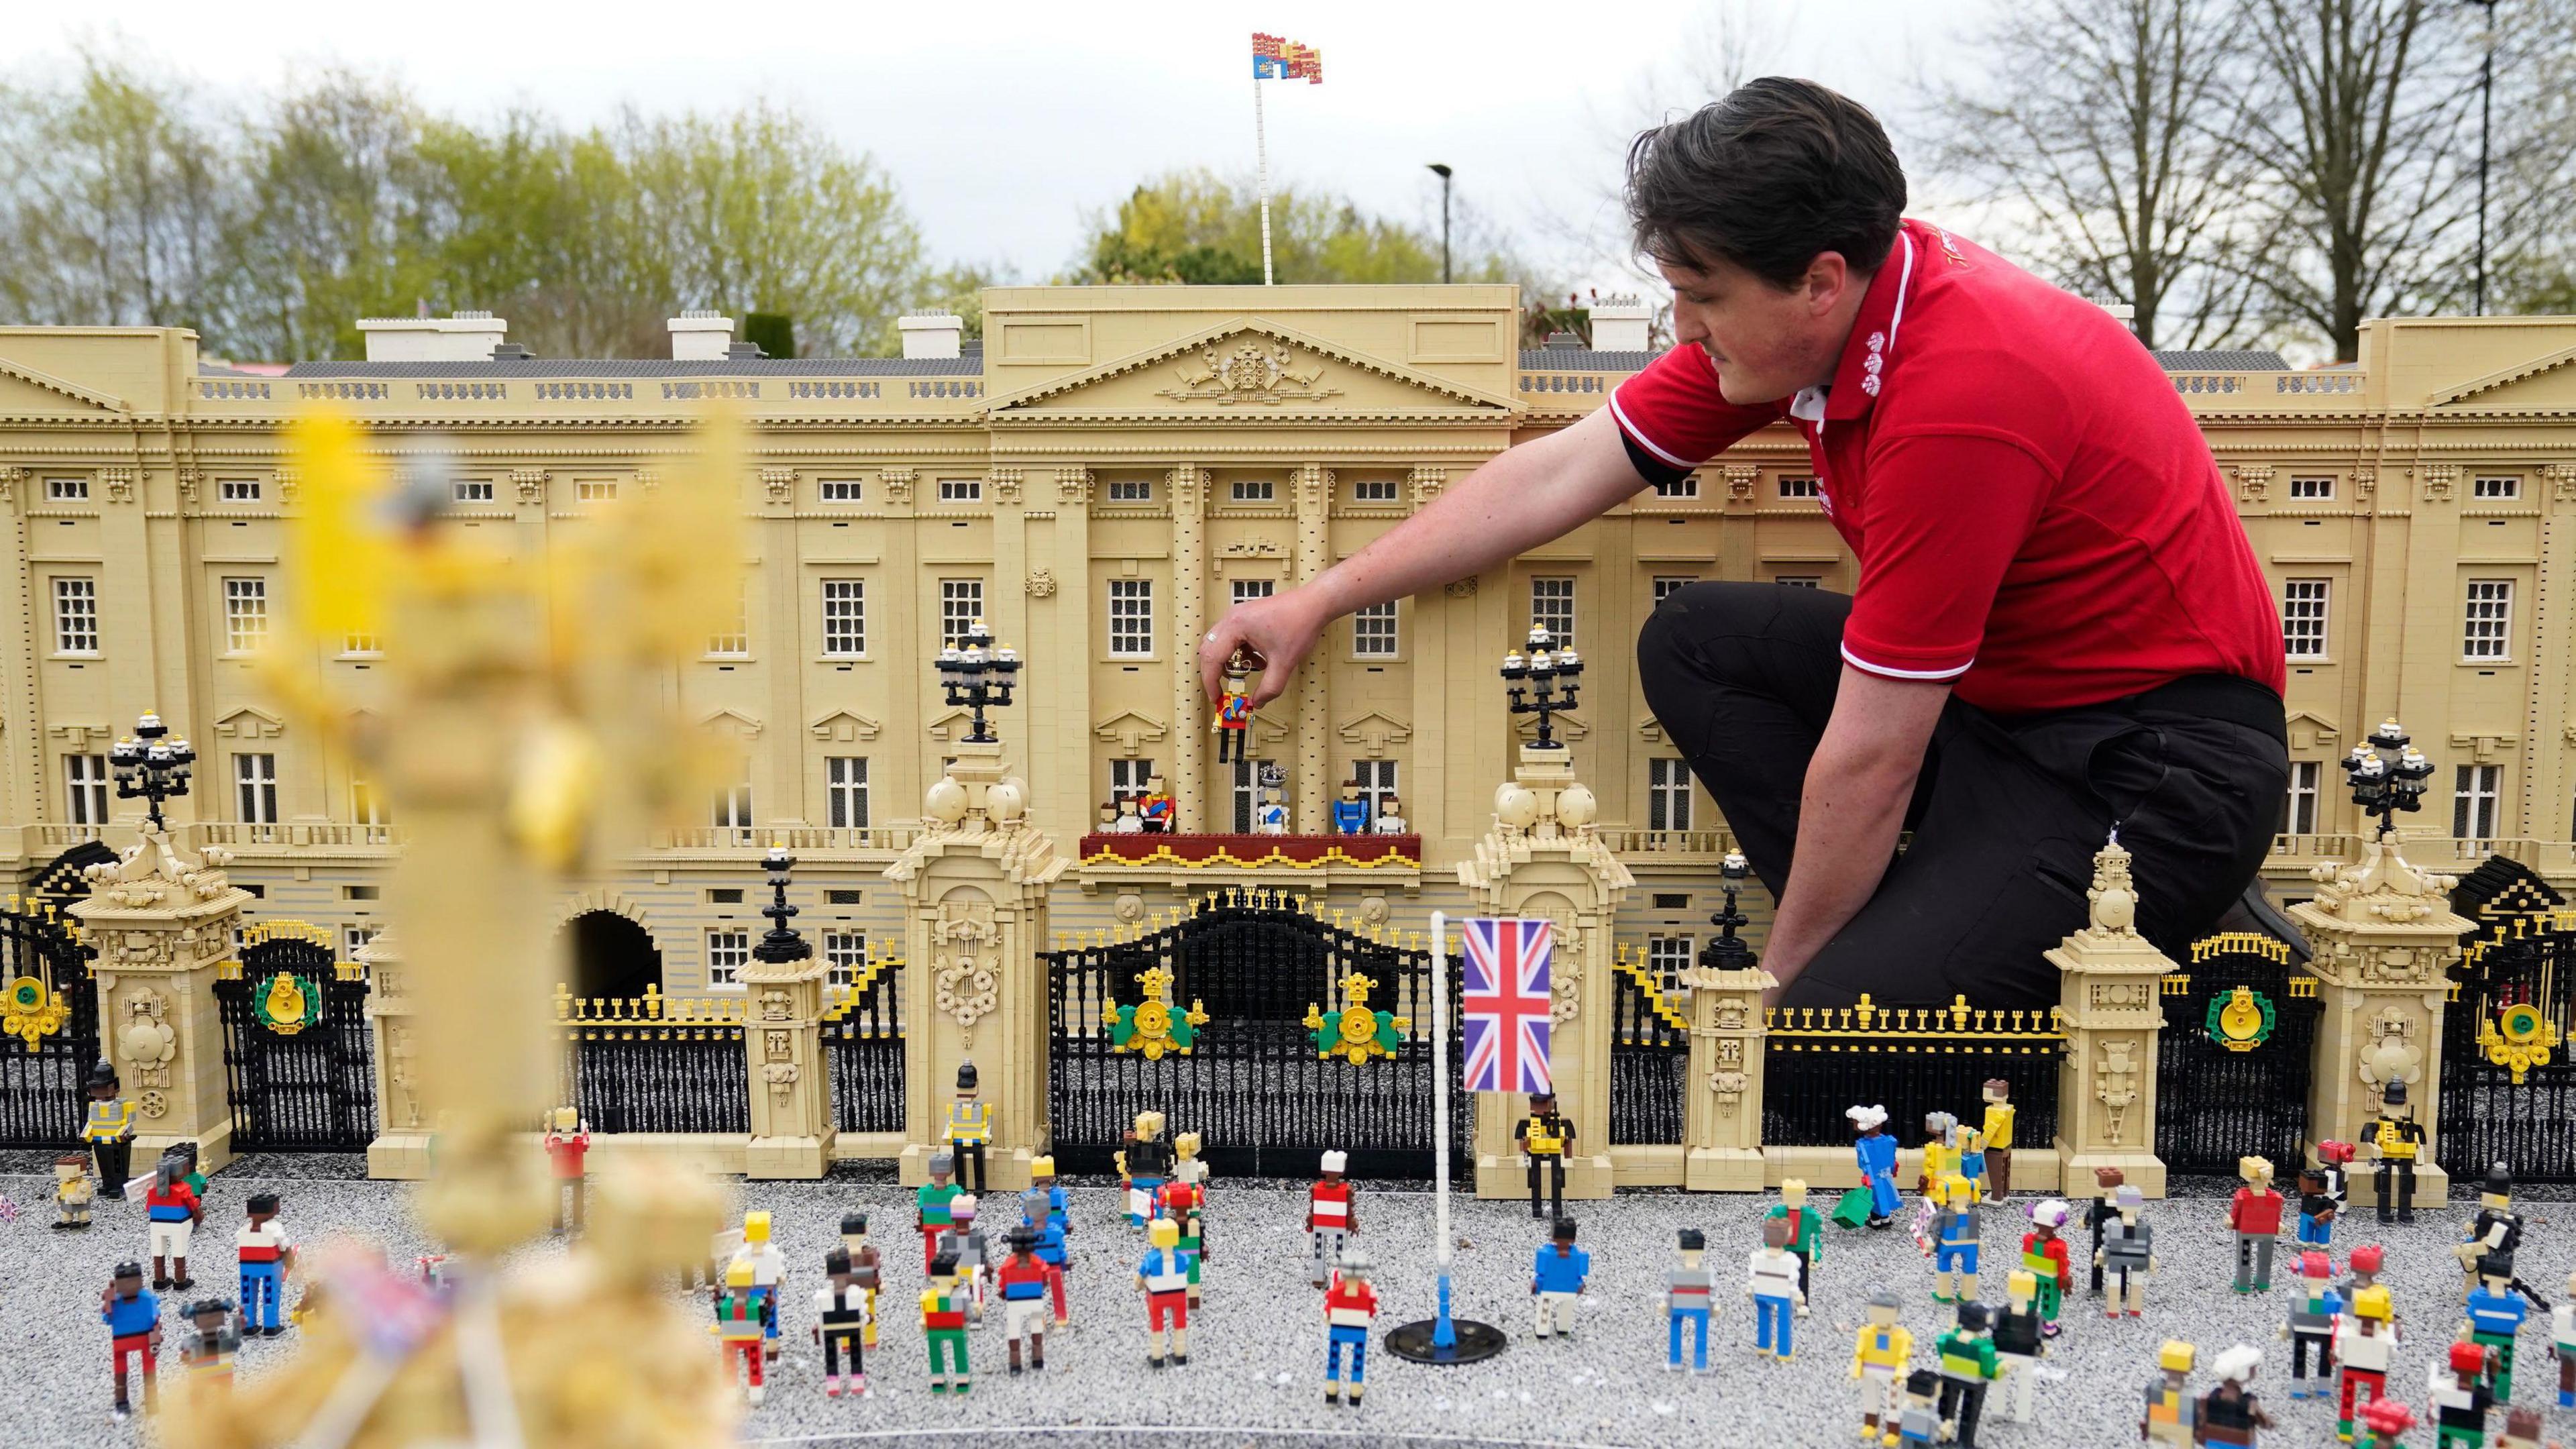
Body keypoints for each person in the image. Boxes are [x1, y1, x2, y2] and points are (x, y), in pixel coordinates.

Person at [1196, 77, 2292, 1013]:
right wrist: (1322, 597)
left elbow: (1872, 753)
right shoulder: (1832, 315)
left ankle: (1939, 956)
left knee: (1831, 1055)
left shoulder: (1963, 395)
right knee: (1699, 639)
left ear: (1819, 279)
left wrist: (1773, 1000)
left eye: (1699, 298)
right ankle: (1919, 916)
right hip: (2011, 714)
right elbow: (1564, 468)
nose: (1682, 329)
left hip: (2152, 770)